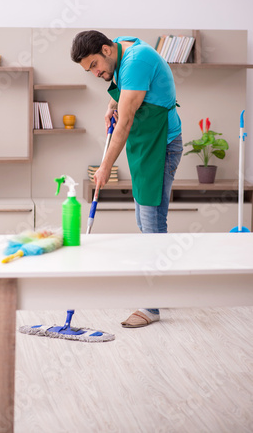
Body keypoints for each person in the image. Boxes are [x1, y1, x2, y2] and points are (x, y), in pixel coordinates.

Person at [71, 30, 183, 328]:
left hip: (160, 145)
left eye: (95, 65)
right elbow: (124, 96)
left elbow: (127, 120)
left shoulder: (136, 60)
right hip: (145, 145)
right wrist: (111, 105)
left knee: (152, 222)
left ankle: (151, 306)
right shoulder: (123, 46)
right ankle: (159, 289)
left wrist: (105, 166)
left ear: (107, 50)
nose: (95, 74)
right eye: (89, 70)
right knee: (145, 218)